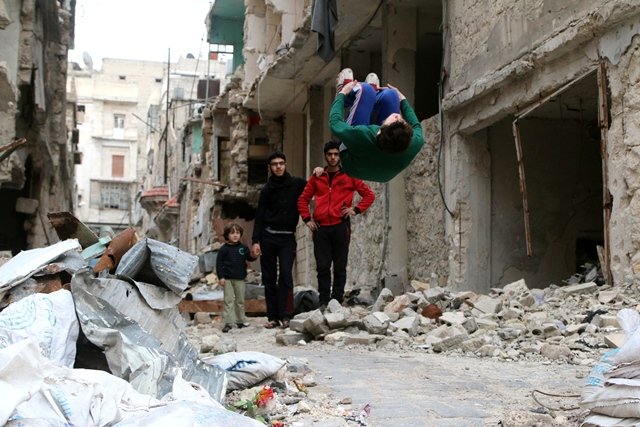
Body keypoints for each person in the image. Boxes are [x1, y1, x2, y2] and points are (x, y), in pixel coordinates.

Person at [297, 141, 375, 309]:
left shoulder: (349, 175)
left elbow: (369, 195)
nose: (333, 157)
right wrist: (307, 219)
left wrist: (356, 209)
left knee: (340, 266)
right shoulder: (317, 177)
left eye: (336, 154)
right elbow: (302, 199)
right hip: (320, 227)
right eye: (330, 154)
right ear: (325, 156)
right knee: (323, 267)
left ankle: (337, 300)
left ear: (340, 156)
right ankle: (324, 302)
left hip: (341, 226)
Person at [329, 68, 425, 183]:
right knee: (392, 95)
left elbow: (335, 123)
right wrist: (402, 99)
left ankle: (352, 97)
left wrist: (341, 94)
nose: (397, 116)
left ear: (379, 131)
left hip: (353, 165)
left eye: (394, 121)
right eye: (402, 121)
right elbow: (416, 126)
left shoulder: (363, 136)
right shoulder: (414, 142)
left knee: (365, 89)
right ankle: (374, 99)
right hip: (383, 172)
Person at [251, 151, 307, 329]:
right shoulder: (267, 190)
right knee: (268, 278)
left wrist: (319, 172)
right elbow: (259, 216)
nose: (278, 166)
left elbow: (314, 186)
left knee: (285, 274)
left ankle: (286, 315)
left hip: (287, 238)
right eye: (275, 164)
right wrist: (255, 241)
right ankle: (273, 317)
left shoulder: (296, 184)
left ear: (285, 165)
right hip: (268, 237)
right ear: (270, 167)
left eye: (281, 163)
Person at [216, 223, 257, 333]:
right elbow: (219, 264)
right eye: (232, 233)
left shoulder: (243, 248)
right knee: (229, 300)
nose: (235, 235)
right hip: (228, 279)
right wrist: (221, 277)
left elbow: (249, 258)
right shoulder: (224, 249)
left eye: (237, 233)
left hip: (240, 279)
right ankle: (228, 322)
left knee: (240, 300)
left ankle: (240, 321)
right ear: (227, 235)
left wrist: (255, 255)